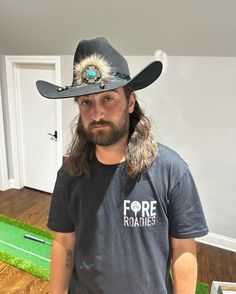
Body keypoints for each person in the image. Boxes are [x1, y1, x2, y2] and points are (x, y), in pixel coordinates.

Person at [36, 37, 208, 294]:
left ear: (130, 102)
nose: (97, 114)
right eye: (86, 102)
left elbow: (183, 248)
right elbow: (64, 243)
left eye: (108, 99)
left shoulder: (171, 170)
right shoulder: (69, 173)